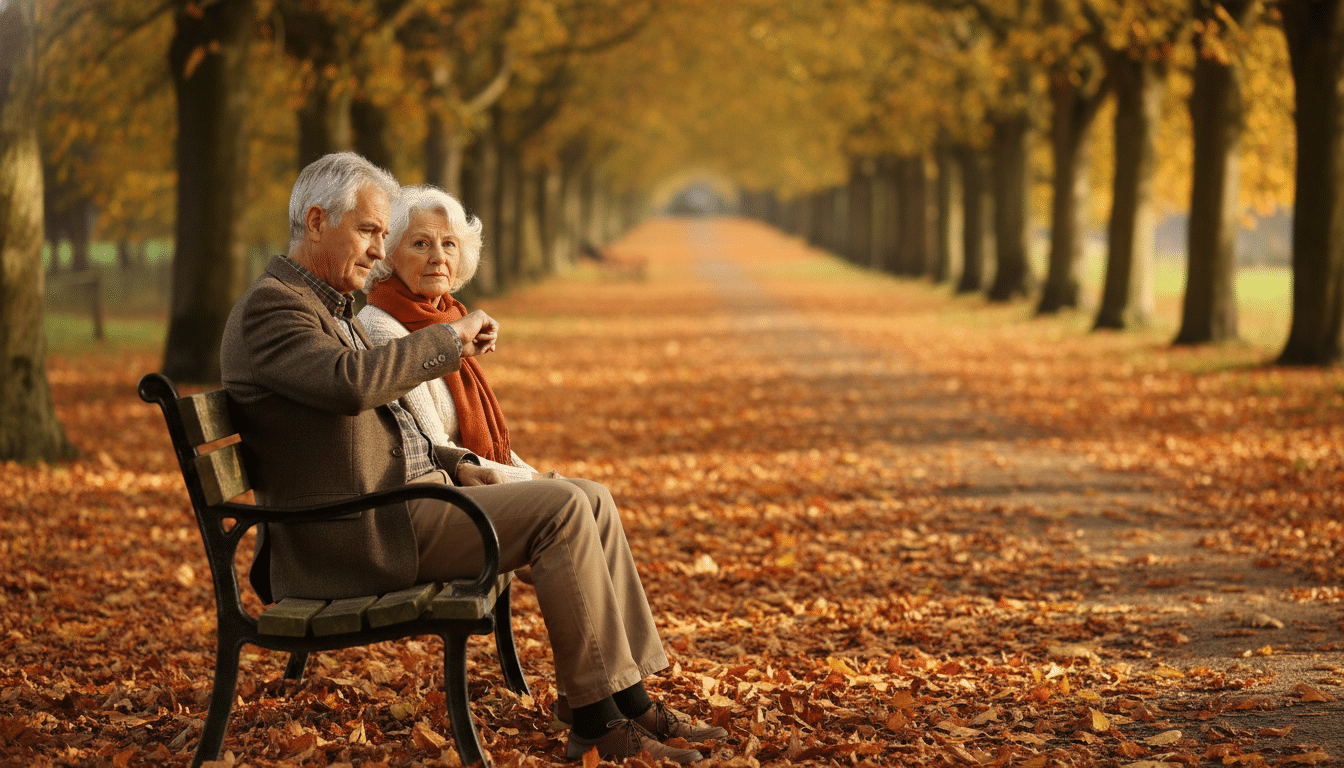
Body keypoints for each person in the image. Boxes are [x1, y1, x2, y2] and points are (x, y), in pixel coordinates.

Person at [219, 152, 723, 763]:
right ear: (319, 222)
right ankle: (596, 722)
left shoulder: (322, 307)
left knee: (589, 496)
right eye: (370, 232)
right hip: (357, 533)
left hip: (392, 506)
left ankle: (628, 701)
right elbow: (351, 383)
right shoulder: (274, 309)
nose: (379, 250)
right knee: (561, 508)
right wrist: (447, 341)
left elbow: (384, 412)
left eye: (383, 233)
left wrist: (454, 460)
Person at [356, 184, 539, 482]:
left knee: (587, 495)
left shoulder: (447, 321)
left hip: (474, 483)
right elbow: (438, 449)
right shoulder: (382, 327)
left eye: (449, 244)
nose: (439, 257)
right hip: (443, 493)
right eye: (421, 244)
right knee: (581, 499)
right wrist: (535, 482)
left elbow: (493, 448)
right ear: (388, 256)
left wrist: (539, 477)